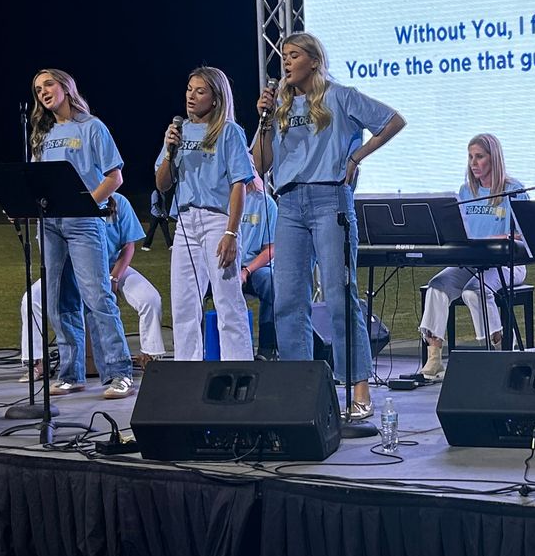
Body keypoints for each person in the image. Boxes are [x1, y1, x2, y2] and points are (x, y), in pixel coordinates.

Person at [254, 30, 406, 417]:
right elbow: (260, 164)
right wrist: (265, 121)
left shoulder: (340, 96)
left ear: (314, 61)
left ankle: (358, 388)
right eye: (284, 56)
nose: (286, 62)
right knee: (288, 300)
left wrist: (356, 157)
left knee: (339, 296)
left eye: (294, 55)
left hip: (329, 200)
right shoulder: (280, 106)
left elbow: (392, 120)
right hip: (289, 205)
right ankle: (300, 392)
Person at [29, 68, 134, 399]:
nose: (43, 92)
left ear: (65, 86)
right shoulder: (42, 134)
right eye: (38, 89)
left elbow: (114, 177)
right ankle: (71, 373)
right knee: (59, 300)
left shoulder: (92, 127)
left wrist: (87, 204)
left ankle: (118, 372)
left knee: (97, 297)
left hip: (84, 223)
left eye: (48, 84)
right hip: (50, 224)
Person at [155, 66, 257, 362]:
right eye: (189, 89)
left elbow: (239, 184)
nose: (191, 96)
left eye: (200, 91)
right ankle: (187, 368)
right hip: (185, 222)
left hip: (217, 221)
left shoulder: (228, 132)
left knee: (227, 300)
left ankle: (238, 368)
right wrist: (169, 150)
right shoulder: (179, 132)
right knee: (184, 303)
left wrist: (231, 232)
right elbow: (162, 184)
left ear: (215, 98)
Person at [18, 195, 166, 382]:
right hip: (72, 270)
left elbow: (129, 246)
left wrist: (114, 277)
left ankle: (150, 355)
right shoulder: (66, 203)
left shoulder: (119, 201)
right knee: (31, 300)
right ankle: (37, 361)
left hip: (112, 266)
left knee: (150, 298)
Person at [417, 134, 530, 379]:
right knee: (437, 286)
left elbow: (527, 235)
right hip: (471, 262)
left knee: (474, 291)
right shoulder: (466, 190)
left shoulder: (514, 190)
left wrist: (501, 238)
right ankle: (434, 358)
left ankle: (498, 352)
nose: (473, 163)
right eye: (470, 157)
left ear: (493, 158)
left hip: (508, 264)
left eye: (479, 157)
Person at [236, 171, 279, 358]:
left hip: (254, 267)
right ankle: (198, 352)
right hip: (223, 266)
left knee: (271, 282)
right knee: (194, 282)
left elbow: (270, 249)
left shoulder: (266, 204)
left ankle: (266, 350)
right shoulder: (219, 199)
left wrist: (247, 270)